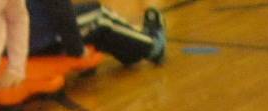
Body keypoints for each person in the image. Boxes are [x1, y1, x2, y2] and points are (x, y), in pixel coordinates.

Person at [27, 0, 165, 67]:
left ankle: (130, 52)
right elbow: (61, 11)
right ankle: (152, 46)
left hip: (22, 39)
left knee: (88, 12)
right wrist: (77, 50)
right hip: (42, 40)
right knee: (99, 15)